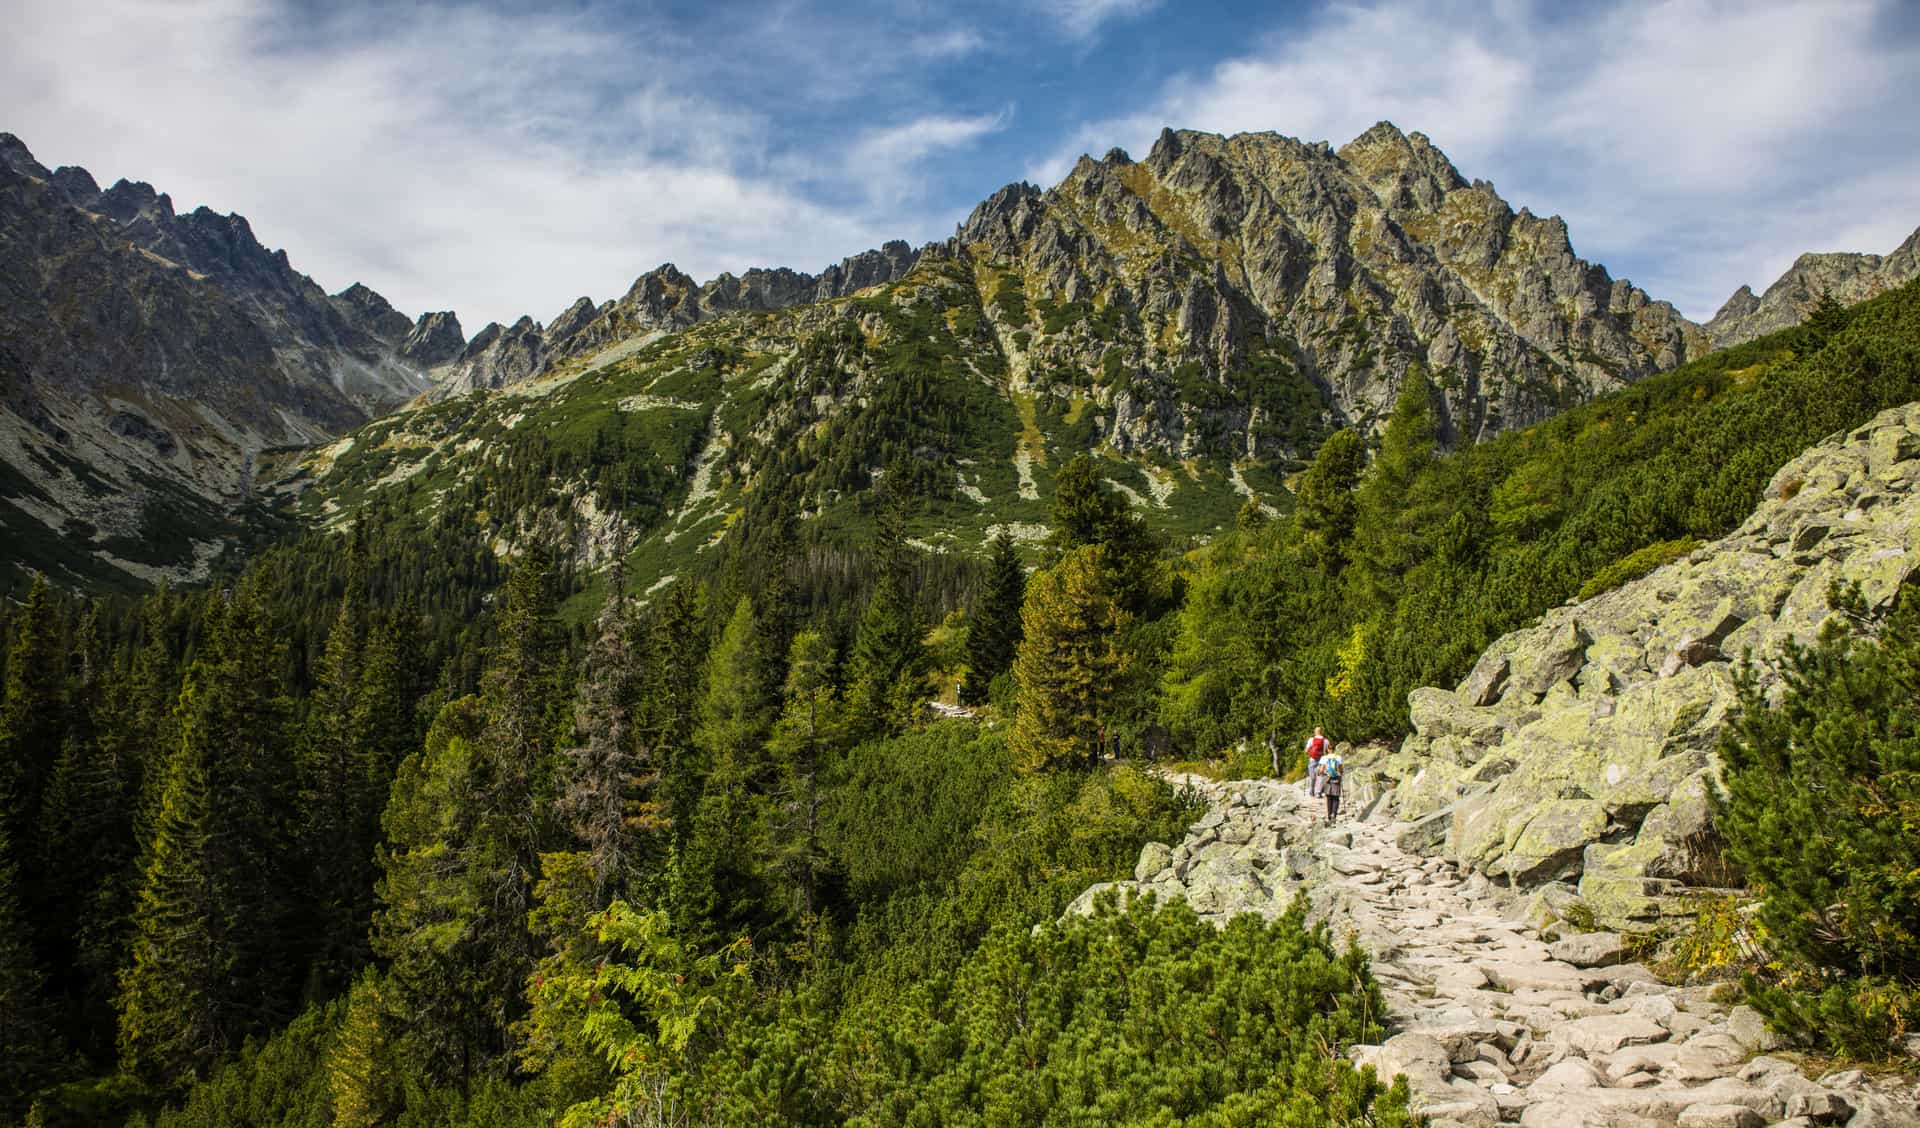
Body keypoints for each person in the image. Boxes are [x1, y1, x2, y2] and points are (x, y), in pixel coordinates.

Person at [1304, 727, 1330, 797]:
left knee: (1312, 777)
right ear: (1322, 732)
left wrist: (1309, 752)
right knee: (1321, 776)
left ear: (1315, 732)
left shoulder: (1311, 739)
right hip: (1322, 760)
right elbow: (1329, 751)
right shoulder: (1326, 740)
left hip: (1312, 760)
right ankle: (1319, 792)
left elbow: (1306, 751)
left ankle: (1311, 792)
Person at [1323, 750, 1344, 824]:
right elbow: (1341, 769)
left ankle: (1329, 816)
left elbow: (1321, 769)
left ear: (1327, 750)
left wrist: (1319, 773)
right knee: (1336, 797)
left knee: (1329, 797)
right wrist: (1341, 773)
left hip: (1327, 778)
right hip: (1336, 778)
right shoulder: (1339, 757)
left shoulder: (1324, 758)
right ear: (1334, 749)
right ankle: (1334, 815)